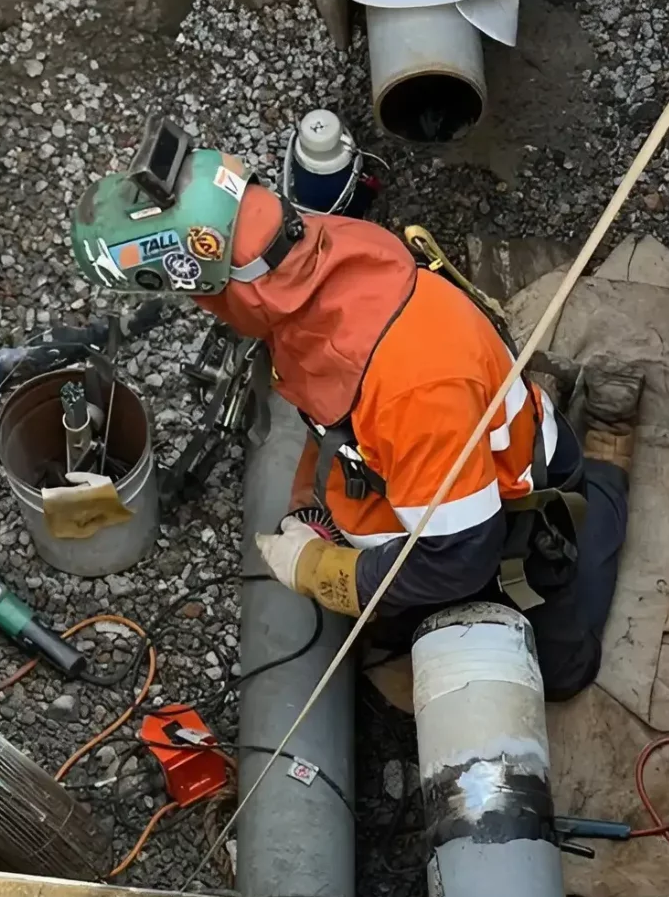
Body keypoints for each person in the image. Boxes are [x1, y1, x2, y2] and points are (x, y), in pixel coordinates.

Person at [181, 164, 635, 699]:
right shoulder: (317, 264)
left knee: (561, 673)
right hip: (429, 495)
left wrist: (325, 571)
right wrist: (311, 496)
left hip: (515, 520)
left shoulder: (413, 389)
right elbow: (327, 412)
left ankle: (608, 463)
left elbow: (463, 558)